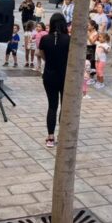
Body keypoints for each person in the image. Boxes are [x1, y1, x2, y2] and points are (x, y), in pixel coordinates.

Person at [37, 13, 70, 148]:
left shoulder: (45, 38)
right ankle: (62, 135)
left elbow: (40, 54)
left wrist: (49, 61)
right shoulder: (69, 39)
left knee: (52, 106)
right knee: (64, 105)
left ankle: (50, 137)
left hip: (49, 75)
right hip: (65, 76)